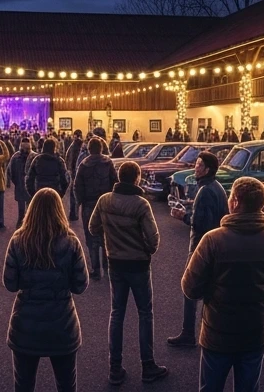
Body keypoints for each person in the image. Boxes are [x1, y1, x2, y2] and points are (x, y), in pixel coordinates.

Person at [181, 177, 264, 392]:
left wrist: (211, 291)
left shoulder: (213, 240)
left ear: (236, 203)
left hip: (218, 331)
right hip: (255, 329)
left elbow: (190, 287)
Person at [88, 161, 167, 384]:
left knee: (117, 313)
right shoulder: (141, 204)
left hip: (115, 262)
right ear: (136, 179)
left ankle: (115, 368)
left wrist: (110, 241)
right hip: (138, 264)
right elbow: (153, 239)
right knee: (145, 313)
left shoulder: (105, 201)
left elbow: (93, 227)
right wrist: (145, 249)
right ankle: (148, 365)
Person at [3, 188, 89, 392]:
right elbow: (80, 285)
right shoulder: (71, 242)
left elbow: (10, 284)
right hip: (62, 324)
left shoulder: (18, 240)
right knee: (66, 384)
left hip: (26, 325)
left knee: (23, 385)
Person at [169, 150, 228, 349]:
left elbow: (203, 224)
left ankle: (188, 333)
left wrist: (183, 216)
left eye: (199, 165)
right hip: (215, 247)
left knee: (189, 288)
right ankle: (209, 331)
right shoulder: (216, 187)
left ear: (207, 169)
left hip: (201, 248)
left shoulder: (206, 191)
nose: (195, 167)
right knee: (210, 291)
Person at [73, 136, 117, 279]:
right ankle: (107, 265)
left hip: (89, 204)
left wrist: (79, 202)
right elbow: (115, 182)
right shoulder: (108, 163)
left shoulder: (84, 164)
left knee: (91, 237)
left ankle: (96, 268)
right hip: (106, 203)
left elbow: (77, 186)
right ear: (101, 148)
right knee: (106, 235)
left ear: (89, 149)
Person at [8, 140, 34, 225]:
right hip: (31, 186)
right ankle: (30, 224)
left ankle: (20, 224)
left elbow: (11, 172)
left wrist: (16, 182)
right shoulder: (34, 157)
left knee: (21, 208)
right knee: (31, 207)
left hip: (20, 185)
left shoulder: (15, 157)